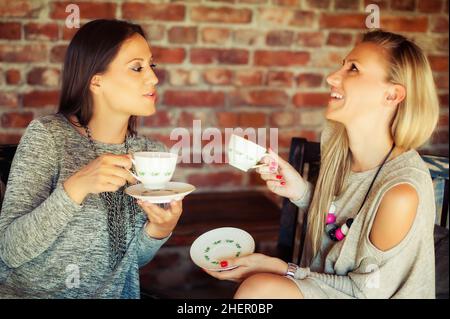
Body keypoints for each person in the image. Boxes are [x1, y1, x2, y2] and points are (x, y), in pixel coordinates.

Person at [204, 30, 439, 299]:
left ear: (392, 95)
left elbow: (364, 292)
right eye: (343, 64)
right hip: (325, 287)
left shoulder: (400, 193)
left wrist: (283, 270)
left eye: (353, 69)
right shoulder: (339, 146)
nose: (332, 77)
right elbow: (346, 224)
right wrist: (301, 191)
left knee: (259, 290)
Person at [0, 19, 183, 298]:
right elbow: (10, 251)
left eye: (151, 66)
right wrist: (76, 187)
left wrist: (159, 230)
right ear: (96, 81)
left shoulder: (149, 153)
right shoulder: (49, 136)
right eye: (137, 68)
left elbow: (127, 262)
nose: (153, 78)